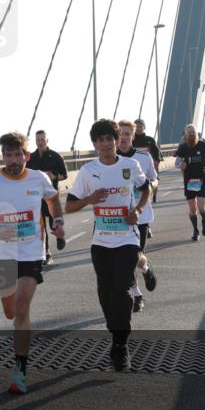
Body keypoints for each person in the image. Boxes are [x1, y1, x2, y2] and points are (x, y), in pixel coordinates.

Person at [0, 132, 64, 394]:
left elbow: (53, 199)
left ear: (26, 155)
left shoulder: (39, 178)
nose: (13, 160)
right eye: (8, 155)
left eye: (17, 155)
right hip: (3, 253)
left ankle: (20, 371)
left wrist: (56, 222)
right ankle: (17, 335)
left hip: (30, 252)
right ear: (3, 156)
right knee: (10, 312)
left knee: (22, 307)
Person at [65, 119, 150, 371]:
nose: (105, 144)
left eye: (109, 139)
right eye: (99, 140)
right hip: (101, 241)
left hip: (127, 239)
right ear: (94, 144)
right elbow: (69, 205)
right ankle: (116, 333)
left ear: (117, 141)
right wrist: (90, 199)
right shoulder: (88, 171)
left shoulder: (130, 165)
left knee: (122, 289)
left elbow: (146, 190)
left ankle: (121, 345)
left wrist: (139, 209)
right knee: (105, 292)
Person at [116, 120, 158, 312]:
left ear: (133, 136)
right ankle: (137, 295)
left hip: (141, 214)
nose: (123, 137)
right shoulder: (109, 159)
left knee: (134, 257)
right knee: (124, 261)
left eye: (127, 134)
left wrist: (152, 186)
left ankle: (146, 268)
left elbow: (154, 178)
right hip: (119, 218)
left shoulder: (144, 157)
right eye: (120, 134)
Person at [26, 130, 68, 263]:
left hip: (51, 196)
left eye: (42, 139)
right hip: (36, 197)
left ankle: (59, 236)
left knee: (52, 222)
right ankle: (47, 253)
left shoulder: (55, 156)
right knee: (40, 226)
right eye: (38, 140)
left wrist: (54, 175)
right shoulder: (31, 158)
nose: (40, 142)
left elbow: (64, 174)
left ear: (47, 140)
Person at [175, 124, 205, 241]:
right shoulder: (182, 147)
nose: (191, 134)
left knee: (202, 207)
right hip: (189, 181)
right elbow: (176, 163)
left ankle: (204, 220)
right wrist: (181, 165)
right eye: (189, 132)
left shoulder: (203, 145)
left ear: (196, 133)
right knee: (192, 209)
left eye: (193, 132)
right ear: (185, 135)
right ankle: (195, 230)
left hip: (201, 179)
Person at [132, 118, 162, 204]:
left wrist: (157, 162)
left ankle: (154, 196)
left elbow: (156, 152)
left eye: (140, 126)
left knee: (154, 179)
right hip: (134, 165)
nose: (138, 128)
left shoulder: (150, 140)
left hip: (149, 164)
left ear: (144, 127)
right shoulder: (131, 140)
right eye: (136, 126)